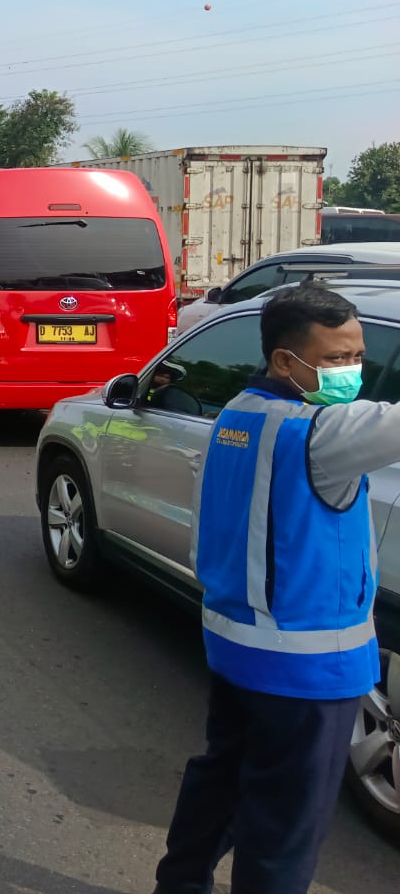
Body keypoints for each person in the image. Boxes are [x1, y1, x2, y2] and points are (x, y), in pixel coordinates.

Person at [153, 283, 398, 894]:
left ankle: (179, 884)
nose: (352, 370)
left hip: (236, 647)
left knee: (224, 782)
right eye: (337, 358)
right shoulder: (323, 434)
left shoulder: (238, 413)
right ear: (285, 361)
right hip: (311, 668)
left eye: (358, 354)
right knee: (285, 829)